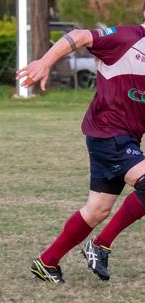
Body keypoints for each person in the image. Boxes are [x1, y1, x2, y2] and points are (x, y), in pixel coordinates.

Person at [17, 22, 145, 284]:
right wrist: (45, 62)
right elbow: (79, 36)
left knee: (96, 210)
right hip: (110, 134)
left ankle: (47, 262)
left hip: (118, 137)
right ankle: (100, 246)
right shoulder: (127, 37)